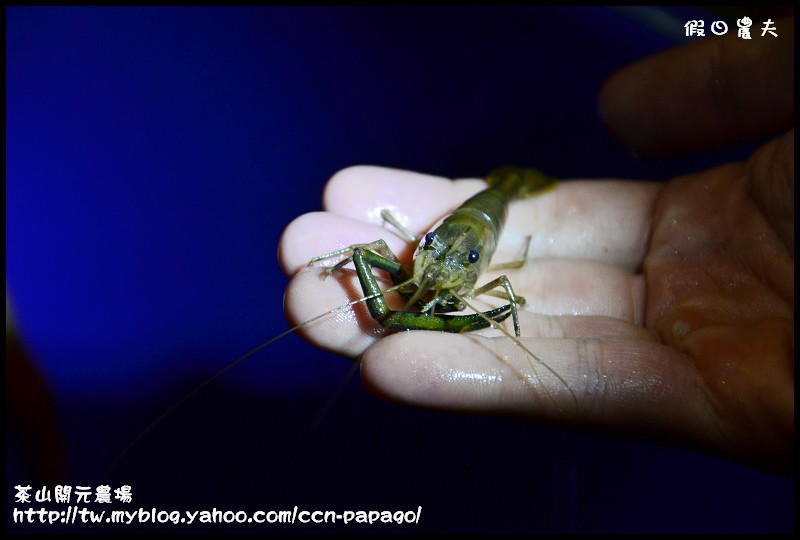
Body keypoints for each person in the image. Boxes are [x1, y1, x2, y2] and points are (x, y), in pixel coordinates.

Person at [279, 16, 793, 476]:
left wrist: (508, 316)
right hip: (473, 212)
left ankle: (510, 186)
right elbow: (419, 250)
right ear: (426, 237)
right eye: (428, 245)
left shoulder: (487, 261)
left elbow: (504, 288)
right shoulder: (427, 254)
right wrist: (350, 259)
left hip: (492, 202)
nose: (433, 265)